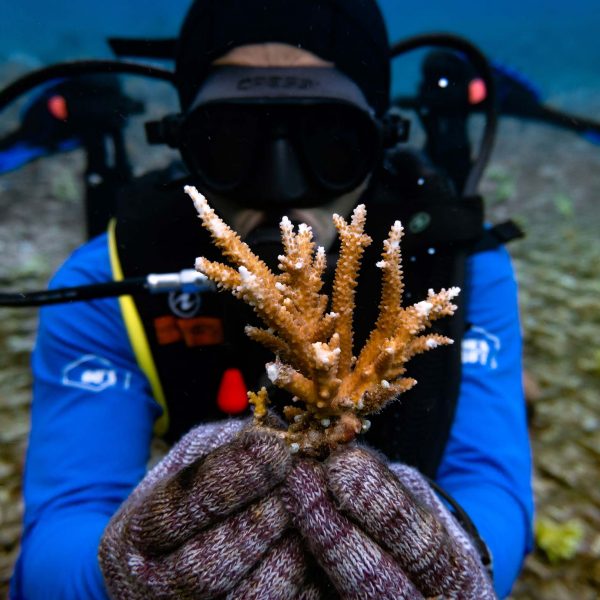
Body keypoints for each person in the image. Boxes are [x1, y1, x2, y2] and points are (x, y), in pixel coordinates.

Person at [10, 0, 533, 598]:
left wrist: (462, 551)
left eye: (331, 147)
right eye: (231, 145)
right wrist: (120, 577)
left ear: (378, 143)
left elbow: (490, 480)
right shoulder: (110, 272)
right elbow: (61, 525)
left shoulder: (460, 261)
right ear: (184, 145)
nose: (283, 187)